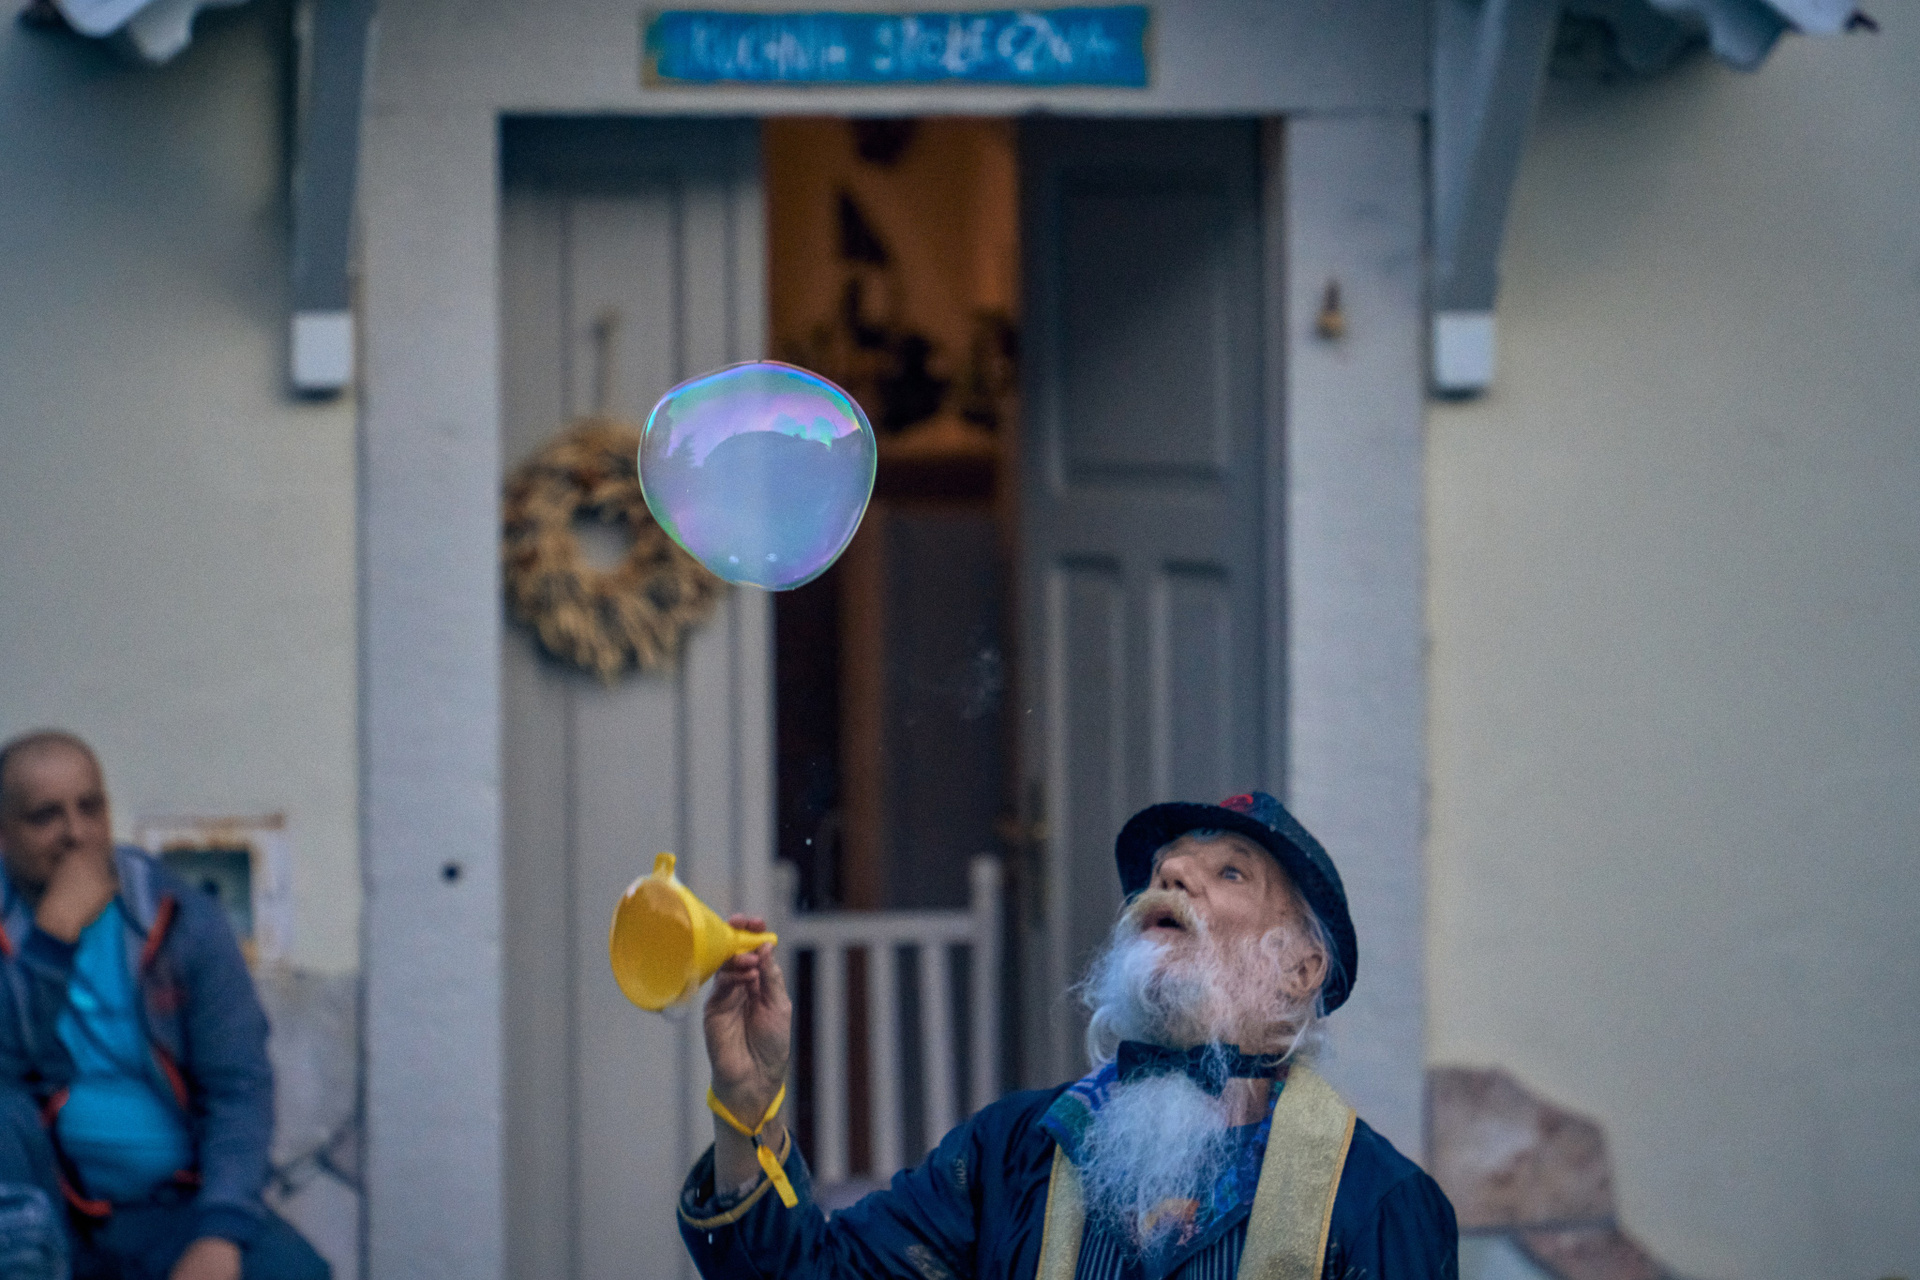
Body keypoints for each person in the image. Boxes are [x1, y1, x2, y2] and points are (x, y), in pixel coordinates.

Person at [679, 791, 1457, 1280]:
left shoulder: (1379, 1204)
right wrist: (748, 1106)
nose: (1172, 876)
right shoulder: (1013, 1151)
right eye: (1164, 870)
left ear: (1300, 970)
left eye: (1230, 873)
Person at [0, 730, 328, 1280]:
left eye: (90, 807)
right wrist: (51, 944)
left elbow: (238, 1087)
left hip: (176, 1207)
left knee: (297, 1273)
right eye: (45, 817)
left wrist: (220, 1232)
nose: (76, 834)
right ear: (3, 834)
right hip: (43, 1212)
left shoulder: (180, 919)